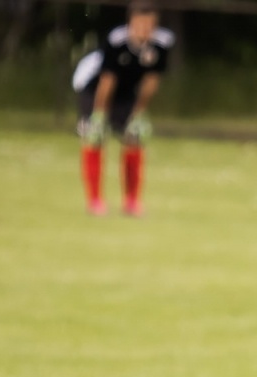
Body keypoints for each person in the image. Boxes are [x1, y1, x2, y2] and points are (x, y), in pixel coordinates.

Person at [70, 0, 173, 216]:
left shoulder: (162, 43)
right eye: (140, 25)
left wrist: (138, 113)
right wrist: (99, 113)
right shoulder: (117, 40)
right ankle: (95, 200)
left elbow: (151, 81)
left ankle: (131, 202)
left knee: (134, 138)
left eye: (149, 25)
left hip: (126, 92)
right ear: (131, 23)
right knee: (95, 137)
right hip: (93, 87)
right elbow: (107, 80)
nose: (145, 31)